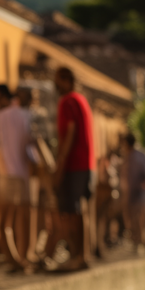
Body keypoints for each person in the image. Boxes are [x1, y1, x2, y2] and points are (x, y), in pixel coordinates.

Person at [48, 67, 93, 272]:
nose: (55, 85)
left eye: (57, 80)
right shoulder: (82, 100)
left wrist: (60, 165)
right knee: (79, 210)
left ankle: (77, 255)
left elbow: (70, 132)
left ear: (66, 80)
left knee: (71, 211)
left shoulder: (67, 101)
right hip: (85, 164)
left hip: (74, 164)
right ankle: (81, 255)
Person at [0, 82, 34, 272]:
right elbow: (30, 145)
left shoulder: (1, 116)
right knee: (24, 219)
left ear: (0, 97)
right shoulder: (24, 115)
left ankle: (13, 259)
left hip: (6, 174)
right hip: (23, 173)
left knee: (3, 222)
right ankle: (24, 256)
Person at [121, 131, 145, 252]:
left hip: (139, 193)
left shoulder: (139, 156)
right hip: (131, 193)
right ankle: (136, 242)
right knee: (132, 219)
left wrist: (144, 186)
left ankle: (141, 243)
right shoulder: (128, 156)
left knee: (140, 219)